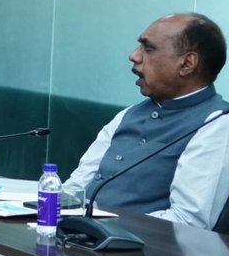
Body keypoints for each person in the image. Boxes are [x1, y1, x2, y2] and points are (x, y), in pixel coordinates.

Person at [64, 13, 229, 229]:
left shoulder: (217, 124)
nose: (134, 56)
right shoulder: (128, 114)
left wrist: (101, 225)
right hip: (78, 236)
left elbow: (187, 222)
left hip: (138, 247)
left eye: (148, 49)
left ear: (187, 63)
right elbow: (75, 188)